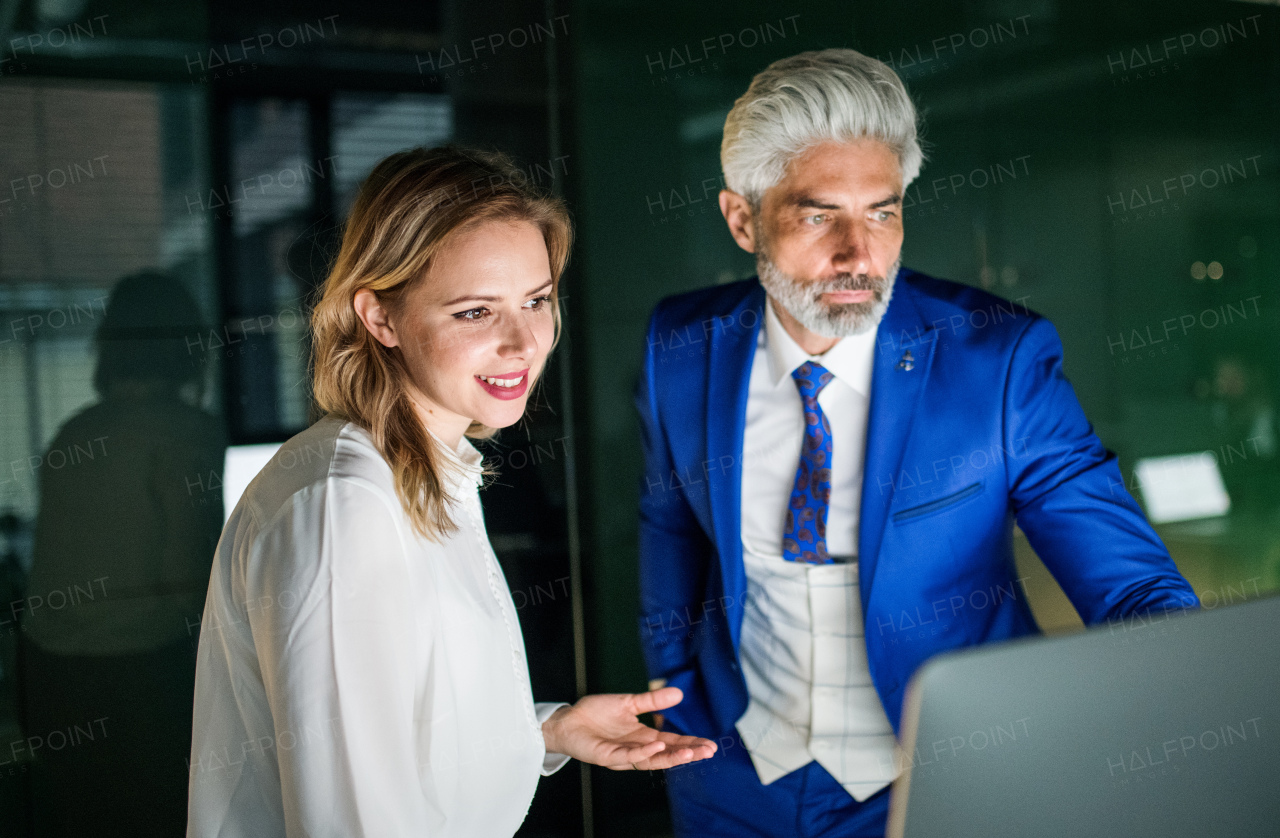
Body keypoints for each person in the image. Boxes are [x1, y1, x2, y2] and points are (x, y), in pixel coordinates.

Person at [634, 49, 1198, 838]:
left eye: (883, 211)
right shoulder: (682, 342)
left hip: (943, 785)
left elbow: (1133, 590)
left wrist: (1188, 707)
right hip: (729, 779)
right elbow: (668, 518)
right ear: (741, 219)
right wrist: (675, 683)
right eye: (818, 214)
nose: (860, 255)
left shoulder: (999, 362)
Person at [188, 146, 715, 837]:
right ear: (380, 319)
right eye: (475, 312)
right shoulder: (346, 507)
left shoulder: (425, 470)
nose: (523, 342)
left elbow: (402, 734)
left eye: (537, 300)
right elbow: (357, 819)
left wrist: (547, 730)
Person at [21, 270, 225, 837]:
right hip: (141, 676)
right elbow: (188, 579)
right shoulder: (187, 433)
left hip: (50, 676)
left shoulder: (73, 432)